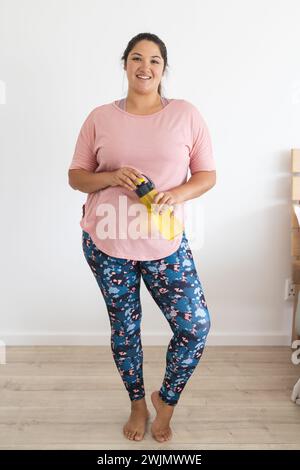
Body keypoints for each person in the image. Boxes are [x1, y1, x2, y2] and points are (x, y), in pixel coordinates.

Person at [68, 32, 216, 443]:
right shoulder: (100, 116)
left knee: (196, 326)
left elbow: (207, 175)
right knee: (125, 330)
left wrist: (176, 194)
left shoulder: (185, 114)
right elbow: (76, 176)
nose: (144, 66)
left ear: (163, 68)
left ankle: (164, 403)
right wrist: (111, 176)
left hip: (164, 243)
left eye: (154, 60)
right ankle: (136, 403)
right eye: (136, 58)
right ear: (125, 64)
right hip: (108, 244)